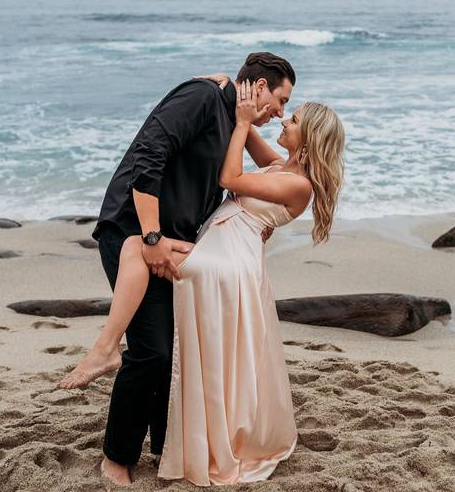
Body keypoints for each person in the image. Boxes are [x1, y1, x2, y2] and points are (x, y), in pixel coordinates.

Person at [63, 79, 346, 486]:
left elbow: (230, 177)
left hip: (227, 261)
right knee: (140, 254)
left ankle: (106, 348)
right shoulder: (282, 167)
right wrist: (226, 86)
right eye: (283, 104)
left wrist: (247, 117)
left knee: (136, 247)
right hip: (223, 249)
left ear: (311, 137)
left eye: (294, 116)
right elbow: (245, 136)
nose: (283, 117)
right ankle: (108, 351)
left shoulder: (298, 183)